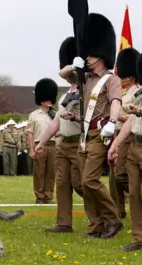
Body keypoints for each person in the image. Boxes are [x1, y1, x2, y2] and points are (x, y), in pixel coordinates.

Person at [59, 13, 123, 238]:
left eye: (90, 55)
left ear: (101, 56)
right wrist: (72, 65)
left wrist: (113, 122)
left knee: (89, 179)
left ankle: (113, 219)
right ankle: (95, 225)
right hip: (85, 134)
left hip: (99, 133)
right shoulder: (86, 78)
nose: (87, 58)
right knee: (83, 184)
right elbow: (63, 74)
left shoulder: (112, 80)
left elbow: (116, 102)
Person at [34, 36, 83, 232]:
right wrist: (41, 142)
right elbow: (56, 123)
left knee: (81, 184)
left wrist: (75, 118)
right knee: (62, 184)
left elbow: (87, 119)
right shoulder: (64, 96)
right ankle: (64, 223)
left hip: (79, 143)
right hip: (63, 144)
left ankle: (104, 216)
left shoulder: (86, 93)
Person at [108, 52, 142, 251]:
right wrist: (116, 144)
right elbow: (131, 121)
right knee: (135, 194)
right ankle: (139, 239)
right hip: (134, 145)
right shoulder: (139, 94)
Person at [28, 78, 58, 203]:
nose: (49, 100)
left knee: (51, 173)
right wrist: (31, 149)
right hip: (39, 145)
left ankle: (48, 196)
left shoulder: (55, 115)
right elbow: (30, 134)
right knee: (39, 173)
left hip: (53, 146)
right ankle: (39, 196)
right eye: (46, 98)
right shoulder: (33, 115)